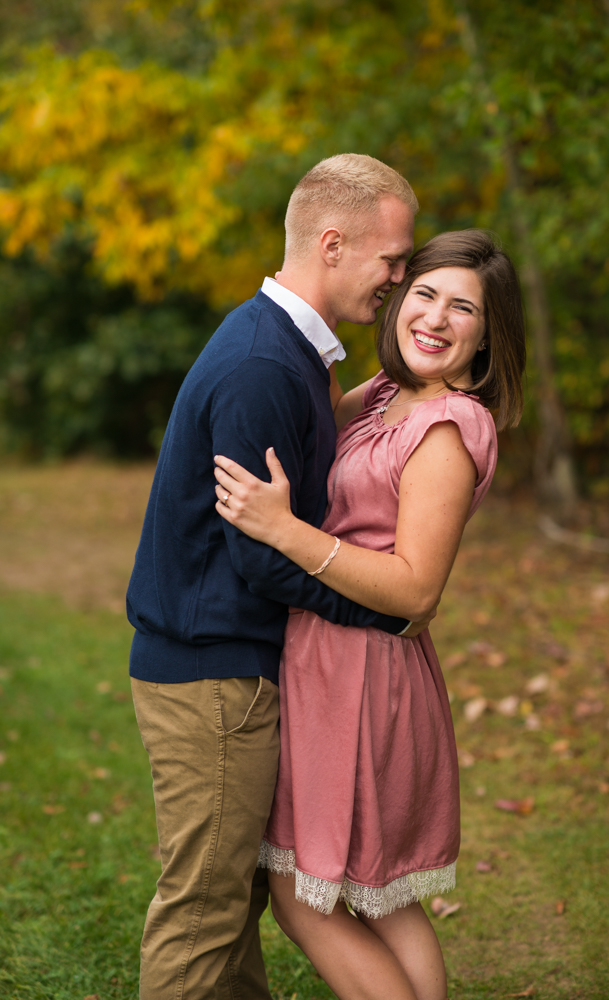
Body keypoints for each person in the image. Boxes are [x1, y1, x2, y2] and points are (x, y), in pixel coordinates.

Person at [126, 153, 435, 1000]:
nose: (399, 279)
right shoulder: (265, 363)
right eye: (393, 260)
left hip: (230, 670)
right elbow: (262, 555)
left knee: (232, 907)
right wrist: (386, 610)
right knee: (203, 913)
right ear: (332, 244)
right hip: (212, 677)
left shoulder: (290, 351)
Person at [213, 229, 527, 1000]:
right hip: (332, 661)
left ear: (486, 339)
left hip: (364, 672)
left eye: (463, 308)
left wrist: (285, 531)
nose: (435, 317)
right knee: (381, 898)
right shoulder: (389, 395)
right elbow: (312, 419)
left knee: (301, 896)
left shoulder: (446, 427)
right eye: (422, 293)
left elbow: (417, 590)